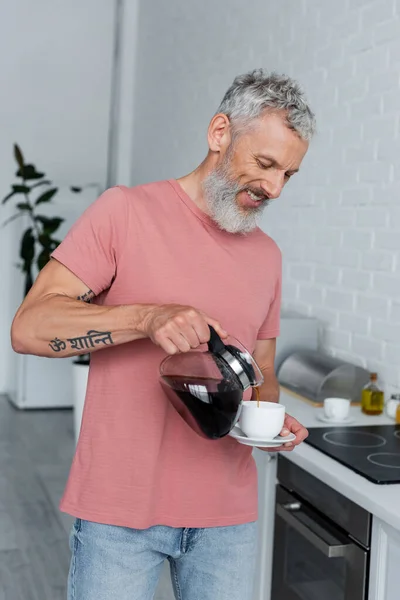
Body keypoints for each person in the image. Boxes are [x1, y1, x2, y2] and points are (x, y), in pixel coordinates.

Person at [11, 69, 315, 600]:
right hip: (120, 514)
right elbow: (29, 328)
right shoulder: (124, 212)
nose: (274, 188)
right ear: (220, 132)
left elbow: (260, 373)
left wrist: (267, 416)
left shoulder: (268, 256)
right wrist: (144, 318)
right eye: (265, 164)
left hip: (227, 518)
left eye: (289, 174)